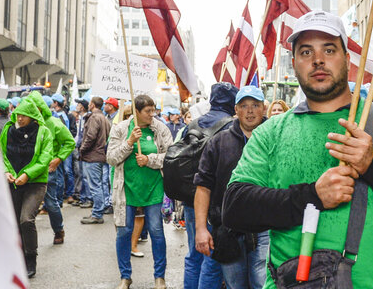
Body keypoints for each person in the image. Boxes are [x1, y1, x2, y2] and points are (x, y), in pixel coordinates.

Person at [223, 10, 373, 288]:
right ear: (294, 63)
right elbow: (235, 207)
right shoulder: (272, 131)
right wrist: (312, 196)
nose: (318, 59)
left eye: (329, 49)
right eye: (306, 52)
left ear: (346, 58)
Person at [195, 86, 269, 289]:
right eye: (244, 106)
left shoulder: (276, 139)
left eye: (255, 105)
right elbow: (203, 187)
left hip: (266, 228)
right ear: (236, 110)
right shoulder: (218, 142)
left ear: (264, 108)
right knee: (235, 285)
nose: (250, 111)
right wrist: (201, 229)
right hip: (228, 229)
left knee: (262, 284)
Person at [107, 94, 173, 289]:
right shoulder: (120, 129)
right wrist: (129, 142)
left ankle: (159, 277)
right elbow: (111, 158)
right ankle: (125, 276)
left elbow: (171, 156)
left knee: (156, 231)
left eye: (154, 110)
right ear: (136, 112)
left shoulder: (160, 128)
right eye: (148, 111)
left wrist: (150, 160)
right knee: (124, 232)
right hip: (126, 190)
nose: (153, 114)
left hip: (153, 189)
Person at [184, 81, 239, 289]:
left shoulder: (193, 124)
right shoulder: (230, 126)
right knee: (212, 257)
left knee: (194, 252)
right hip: (215, 200)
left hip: (190, 196)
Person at [0, 98, 52, 278]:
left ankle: (31, 258)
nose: (20, 119)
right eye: (18, 115)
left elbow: (45, 159)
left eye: (24, 116)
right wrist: (6, 171)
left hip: (35, 183)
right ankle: (16, 258)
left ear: (33, 116)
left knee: (26, 219)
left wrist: (27, 174)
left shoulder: (44, 132)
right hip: (12, 182)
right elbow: (1, 153)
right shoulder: (8, 130)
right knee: (13, 221)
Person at [25, 91, 75, 245]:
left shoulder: (53, 123)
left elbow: (69, 142)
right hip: (26, 171)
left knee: (51, 203)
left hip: (47, 171)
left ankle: (58, 230)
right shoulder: (23, 123)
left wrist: (58, 159)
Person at [79, 96, 112, 225]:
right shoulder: (104, 118)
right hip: (100, 155)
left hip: (93, 156)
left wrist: (82, 148)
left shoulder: (94, 118)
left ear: (92, 105)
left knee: (95, 186)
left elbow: (90, 136)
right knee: (97, 184)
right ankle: (97, 211)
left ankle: (97, 213)